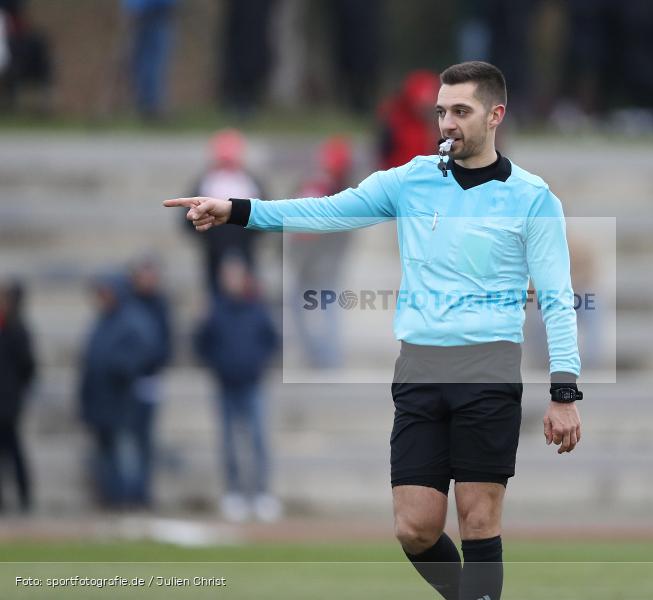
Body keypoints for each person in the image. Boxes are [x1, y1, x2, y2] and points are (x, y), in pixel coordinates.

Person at [166, 61, 583, 599]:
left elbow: (556, 297)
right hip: (419, 368)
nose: (447, 123)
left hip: (489, 369)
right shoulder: (411, 179)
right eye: (440, 112)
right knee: (414, 527)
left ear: (495, 115)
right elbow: (328, 211)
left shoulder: (532, 197)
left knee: (478, 519)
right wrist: (239, 210)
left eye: (461, 111)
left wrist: (565, 391)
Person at [194, 254, 280, 522]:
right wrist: (217, 365)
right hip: (225, 385)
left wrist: (258, 364)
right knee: (229, 442)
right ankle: (233, 493)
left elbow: (271, 341)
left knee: (257, 440)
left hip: (251, 384)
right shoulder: (215, 310)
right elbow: (200, 343)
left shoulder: (256, 309)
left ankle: (262, 494)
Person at [79, 272, 158, 508]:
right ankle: (112, 497)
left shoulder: (132, 319)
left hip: (123, 400)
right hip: (100, 401)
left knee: (127, 451)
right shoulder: (103, 320)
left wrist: (116, 367)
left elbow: (142, 354)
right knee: (106, 453)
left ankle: (131, 497)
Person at [288, 136, 355, 368]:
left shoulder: (345, 194)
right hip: (305, 262)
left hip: (324, 265)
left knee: (327, 312)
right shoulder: (310, 184)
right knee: (300, 309)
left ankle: (329, 359)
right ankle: (314, 355)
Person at [184, 128, 267, 297]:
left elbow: (264, 215)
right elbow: (187, 220)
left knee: (247, 295)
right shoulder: (206, 182)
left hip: (244, 252)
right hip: (215, 254)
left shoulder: (250, 182)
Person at [128, 255, 172, 508]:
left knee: (145, 439)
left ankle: (141, 492)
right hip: (126, 381)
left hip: (150, 379)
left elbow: (165, 341)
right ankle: (125, 492)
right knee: (127, 439)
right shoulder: (129, 303)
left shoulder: (160, 305)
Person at [0, 279, 36, 514]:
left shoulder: (16, 328)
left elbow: (28, 367)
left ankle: (24, 497)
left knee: (13, 451)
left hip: (9, 403)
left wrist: (16, 394)